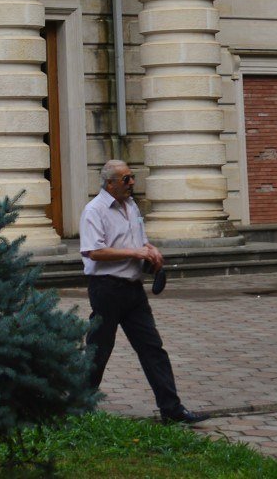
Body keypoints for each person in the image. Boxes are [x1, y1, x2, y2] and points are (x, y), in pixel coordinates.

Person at [79, 160, 205, 424]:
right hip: (106, 288)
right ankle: (80, 406)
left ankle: (171, 409)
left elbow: (139, 240)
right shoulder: (94, 210)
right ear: (110, 183)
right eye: (126, 179)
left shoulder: (131, 206)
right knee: (99, 349)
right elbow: (94, 251)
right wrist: (135, 252)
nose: (132, 182)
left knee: (152, 349)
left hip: (133, 289)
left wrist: (150, 250)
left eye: (132, 177)